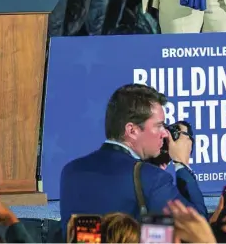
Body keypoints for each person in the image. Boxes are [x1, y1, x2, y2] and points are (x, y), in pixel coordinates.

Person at [59, 84, 206, 237]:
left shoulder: (71, 172)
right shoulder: (152, 179)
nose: (165, 133)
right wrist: (181, 164)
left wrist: (146, 169)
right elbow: (199, 230)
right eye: (159, 126)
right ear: (132, 131)